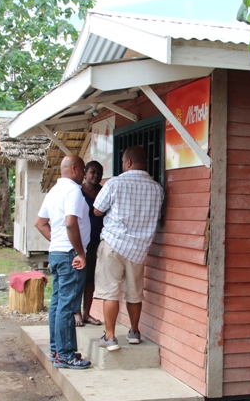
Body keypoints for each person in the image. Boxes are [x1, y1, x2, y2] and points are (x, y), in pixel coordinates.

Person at [94, 146, 164, 351]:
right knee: (135, 293)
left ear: (128, 163)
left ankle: (110, 337)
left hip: (114, 244)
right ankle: (134, 332)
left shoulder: (115, 183)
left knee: (110, 292)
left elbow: (97, 210)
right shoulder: (157, 189)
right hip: (139, 249)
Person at [35, 155, 92, 370]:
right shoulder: (72, 191)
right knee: (68, 306)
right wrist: (80, 253)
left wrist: (56, 241)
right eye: (84, 169)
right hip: (70, 255)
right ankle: (66, 355)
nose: (85, 174)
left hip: (57, 252)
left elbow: (40, 223)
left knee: (58, 303)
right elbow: (71, 223)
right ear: (76, 169)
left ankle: (56, 349)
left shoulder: (54, 191)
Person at [74, 160, 104, 327]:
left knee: (91, 278)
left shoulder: (103, 191)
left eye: (99, 172)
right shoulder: (78, 192)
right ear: (85, 173)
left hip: (98, 240)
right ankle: (76, 312)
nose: (96, 175)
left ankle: (87, 313)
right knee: (79, 277)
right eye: (92, 172)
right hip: (81, 240)